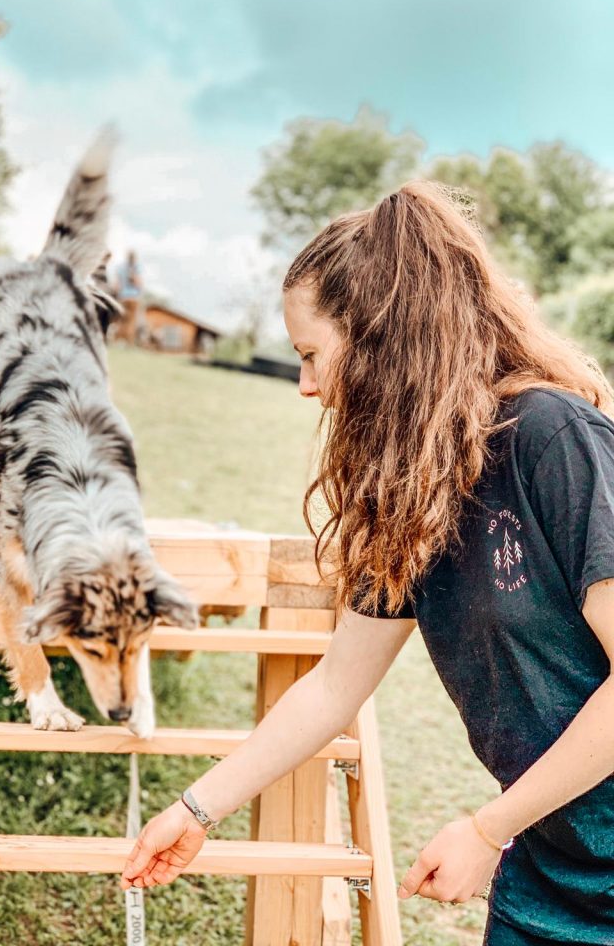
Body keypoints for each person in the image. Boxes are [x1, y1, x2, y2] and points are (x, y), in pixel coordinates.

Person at [120, 182, 614, 945]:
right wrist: (196, 810)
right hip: (552, 866)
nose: (307, 385)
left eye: (311, 355)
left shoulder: (553, 438)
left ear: (385, 336)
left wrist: (488, 829)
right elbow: (334, 686)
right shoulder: (415, 489)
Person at [113, 250, 143, 345]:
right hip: (134, 297)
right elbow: (139, 283)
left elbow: (117, 285)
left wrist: (117, 296)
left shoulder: (120, 267)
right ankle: (129, 341)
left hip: (123, 297)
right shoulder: (137, 268)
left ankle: (118, 340)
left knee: (121, 319)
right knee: (131, 321)